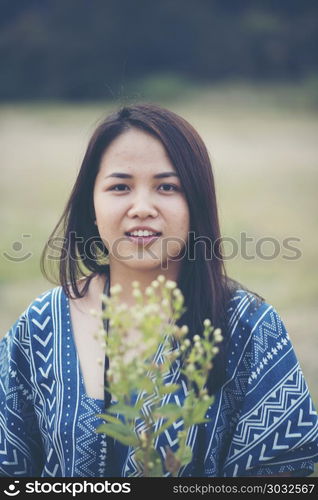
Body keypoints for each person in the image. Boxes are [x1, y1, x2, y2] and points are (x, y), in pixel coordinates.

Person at [0, 104, 317, 478]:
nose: (142, 208)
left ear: (196, 202)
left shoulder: (249, 328)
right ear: (92, 202)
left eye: (167, 187)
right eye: (120, 187)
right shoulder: (40, 326)